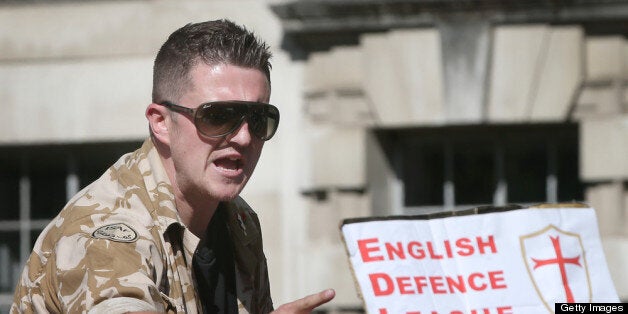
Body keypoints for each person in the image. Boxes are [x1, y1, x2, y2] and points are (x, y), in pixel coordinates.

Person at [11, 19, 335, 313]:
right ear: (161, 123)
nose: (244, 137)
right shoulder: (107, 234)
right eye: (218, 116)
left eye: (258, 118)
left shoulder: (240, 222)